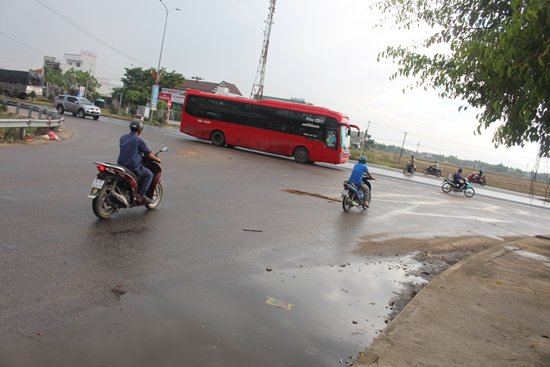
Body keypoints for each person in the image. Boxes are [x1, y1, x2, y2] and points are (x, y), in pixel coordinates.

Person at [117, 120, 162, 201]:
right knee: (149, 174)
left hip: (121, 165)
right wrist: (157, 159)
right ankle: (141, 194)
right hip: (133, 167)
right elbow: (148, 153)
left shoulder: (123, 138)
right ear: (140, 130)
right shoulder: (139, 140)